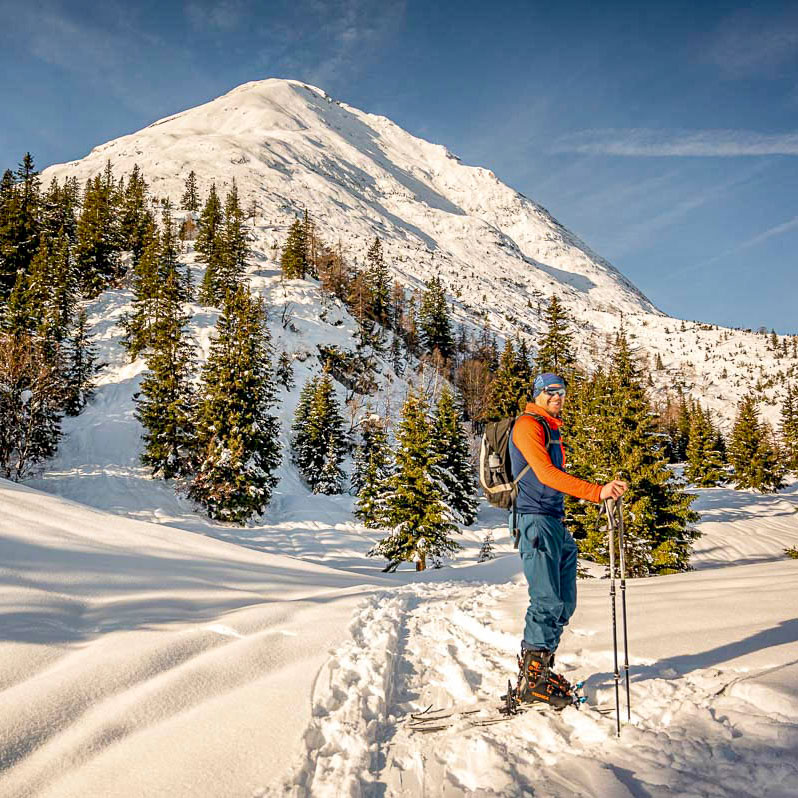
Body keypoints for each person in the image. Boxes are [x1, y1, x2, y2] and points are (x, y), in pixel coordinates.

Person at [509, 372, 627, 707]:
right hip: (534, 521)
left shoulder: (551, 428)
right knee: (546, 600)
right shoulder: (527, 425)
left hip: (553, 521)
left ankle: (541, 669)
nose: (557, 396)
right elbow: (546, 474)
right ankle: (533, 681)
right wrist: (597, 492)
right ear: (537, 393)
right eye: (550, 391)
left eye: (561, 391)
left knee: (564, 602)